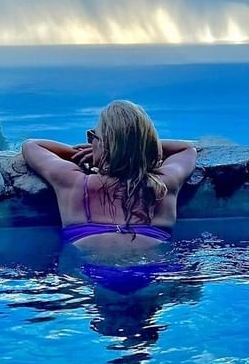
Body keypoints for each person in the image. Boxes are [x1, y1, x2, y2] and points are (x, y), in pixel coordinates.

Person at [21, 100, 198, 258]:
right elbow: (186, 149)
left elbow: (32, 146)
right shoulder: (164, 183)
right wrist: (135, 146)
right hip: (153, 266)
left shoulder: (73, 182)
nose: (90, 143)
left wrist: (81, 152)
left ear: (104, 144)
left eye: (93, 137)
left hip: (90, 267)